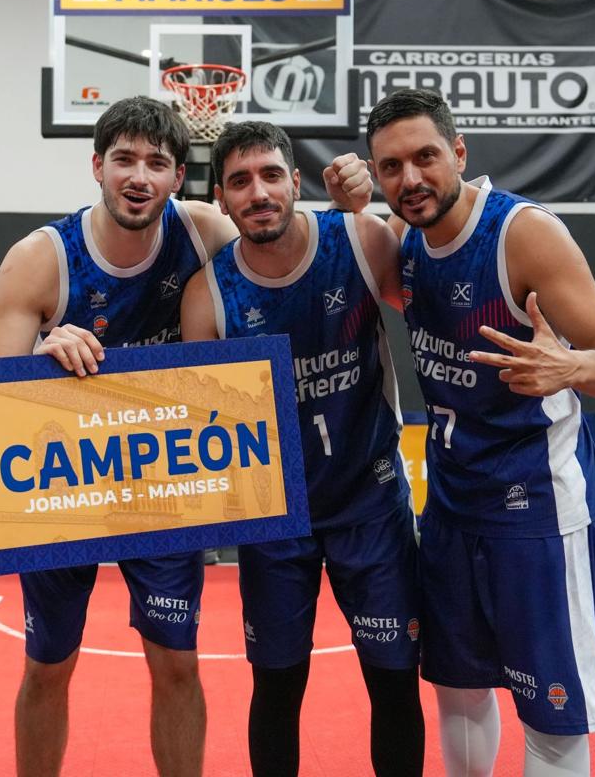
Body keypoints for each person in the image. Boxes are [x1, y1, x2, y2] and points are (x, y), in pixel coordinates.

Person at [0, 96, 372, 777]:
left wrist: (358, 204)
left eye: (157, 163)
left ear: (176, 176)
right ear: (97, 166)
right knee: (47, 664)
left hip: (160, 483)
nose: (140, 176)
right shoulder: (40, 259)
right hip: (64, 482)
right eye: (125, 160)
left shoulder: (202, 231)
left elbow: (288, 234)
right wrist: (41, 346)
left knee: (178, 662)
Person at [366, 88, 595, 776]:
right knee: (458, 689)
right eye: (391, 167)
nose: (411, 179)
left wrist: (573, 366)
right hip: (452, 501)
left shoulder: (523, 233)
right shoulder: (408, 241)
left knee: (550, 710)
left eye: (426, 157)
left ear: (460, 153)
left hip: (537, 506)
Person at [179, 121, 424, 777]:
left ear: (295, 181)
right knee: (278, 687)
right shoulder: (208, 295)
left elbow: (431, 296)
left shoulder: (362, 238)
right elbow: (199, 423)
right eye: (239, 181)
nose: (257, 192)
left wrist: (380, 204)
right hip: (276, 518)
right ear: (221, 201)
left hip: (369, 502)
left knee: (394, 680)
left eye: (270, 175)